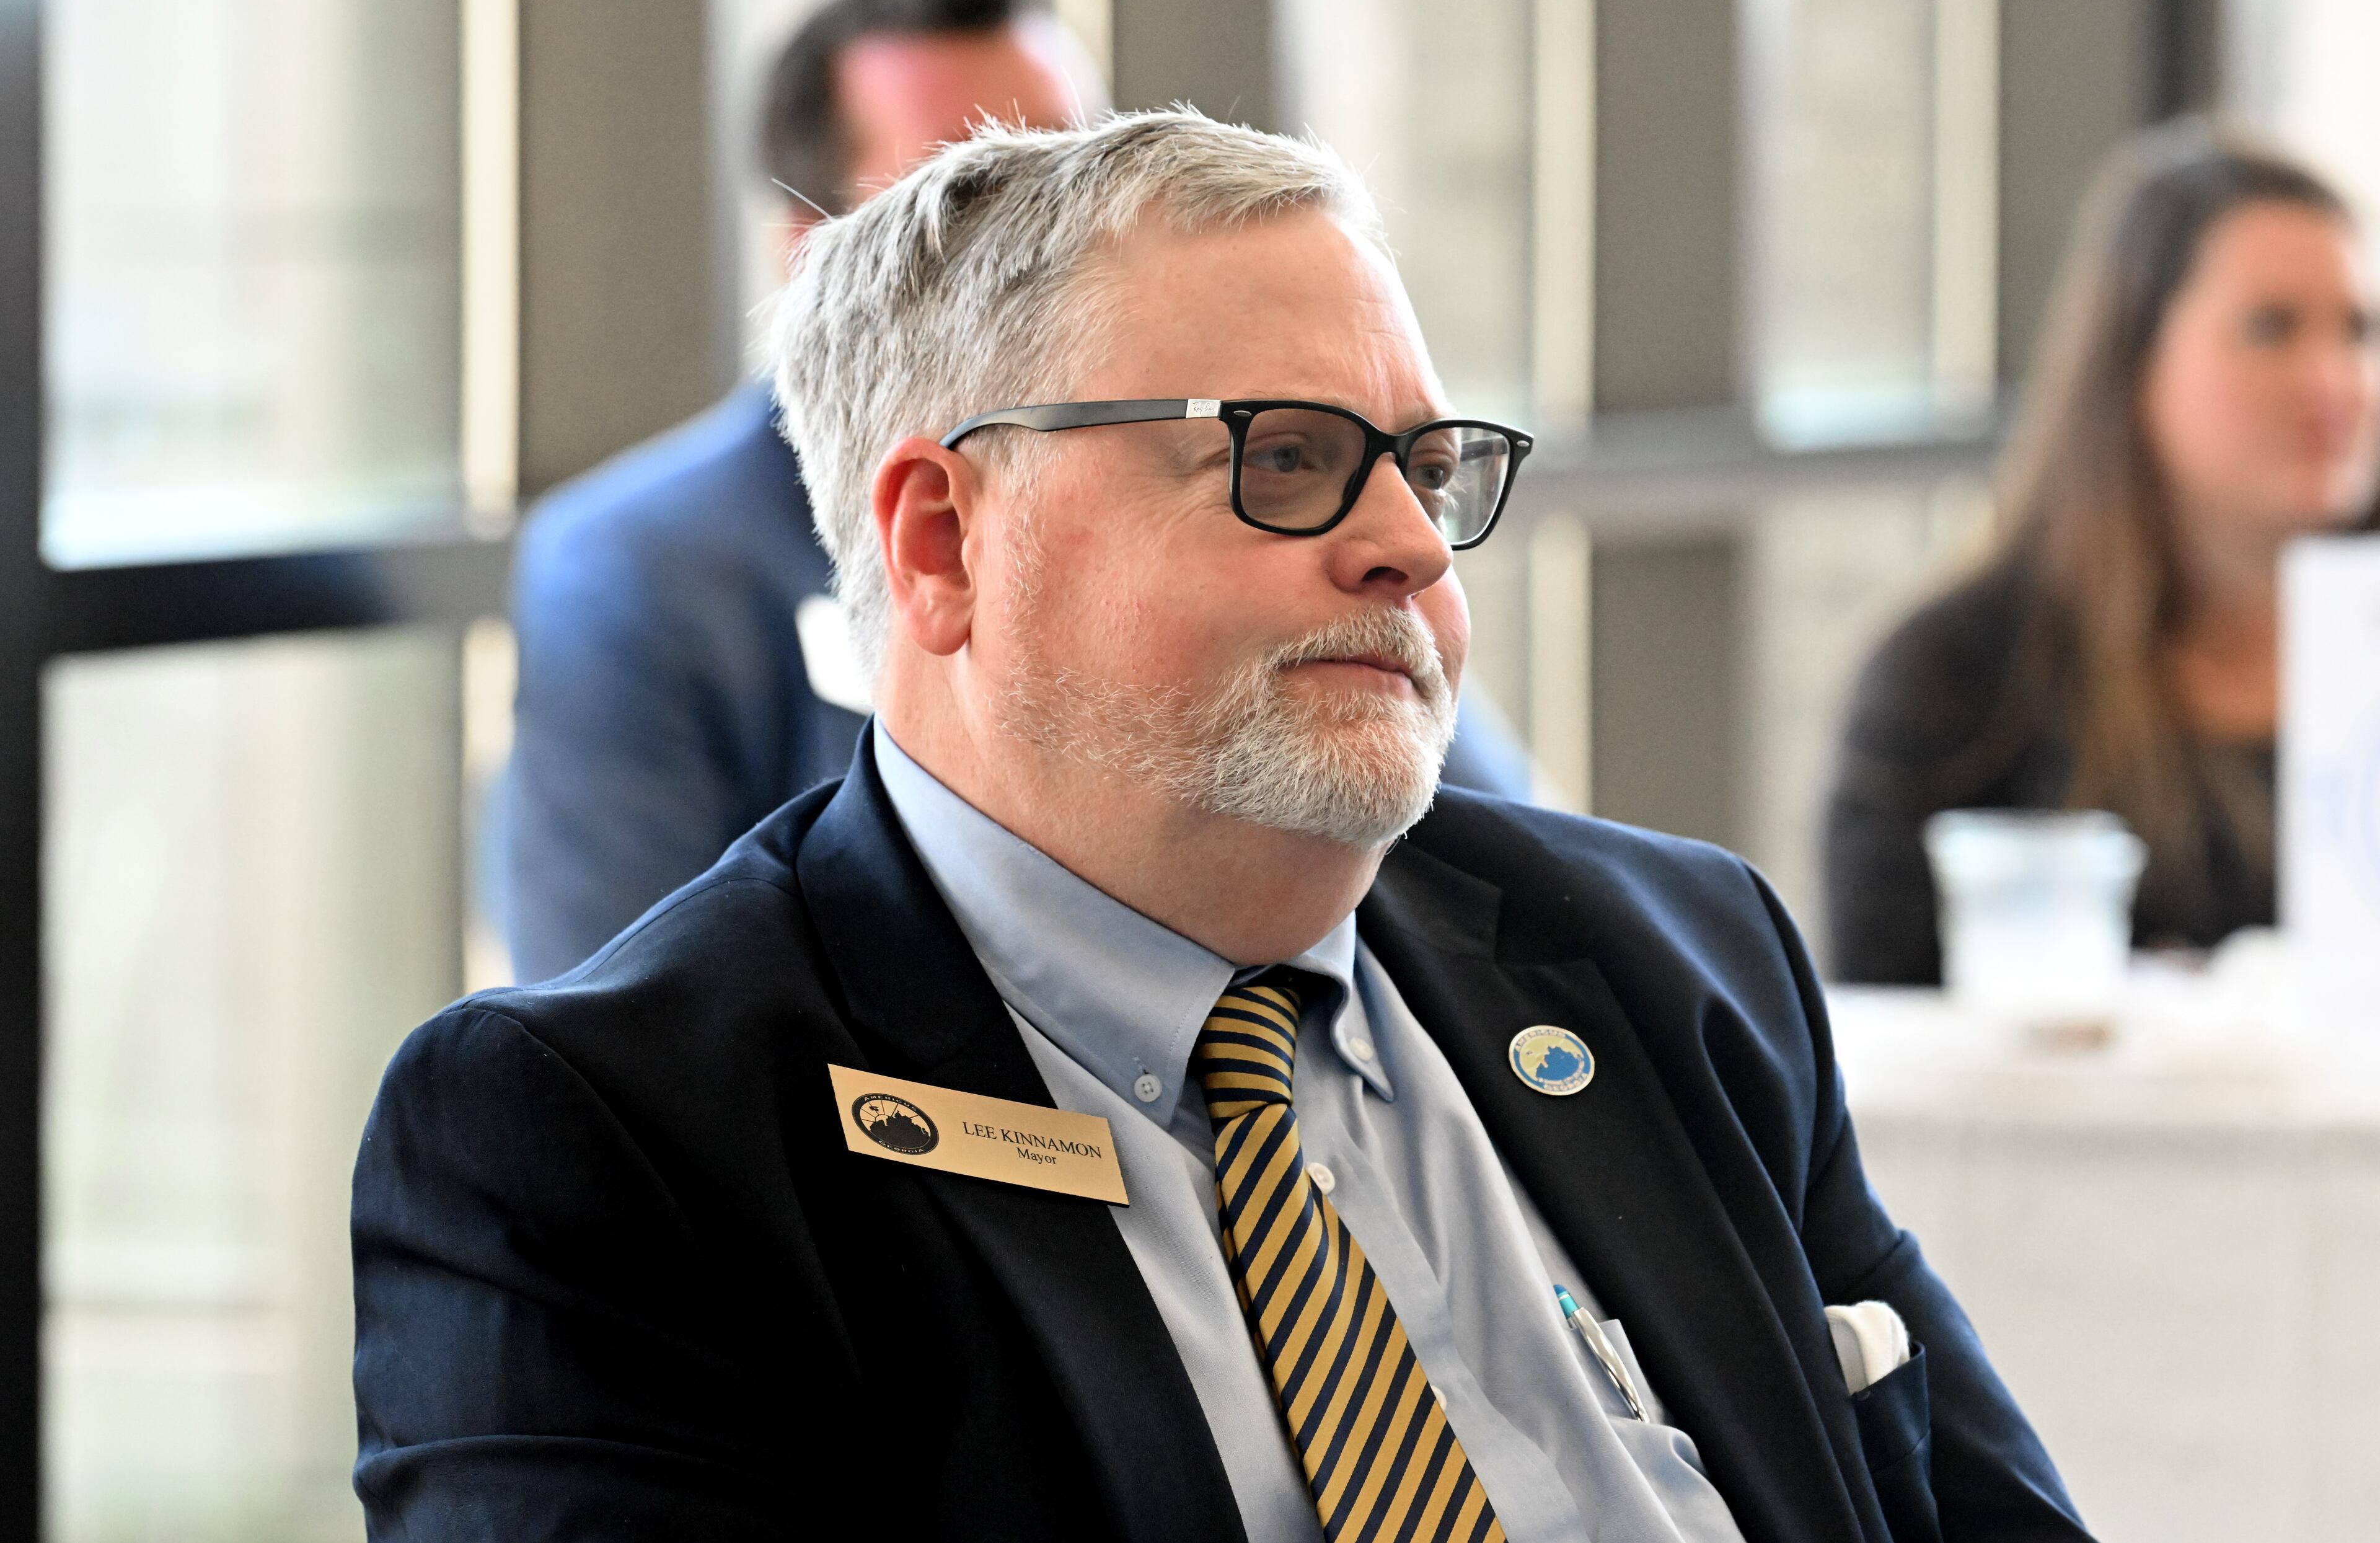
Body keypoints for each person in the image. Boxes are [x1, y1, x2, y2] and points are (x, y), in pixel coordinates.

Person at [354, 111, 2089, 1542]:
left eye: (1425, 463)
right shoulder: (612, 1141)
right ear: (945, 544)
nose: (1407, 542)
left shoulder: (1671, 961)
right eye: (1286, 460)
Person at [502, 0, 1536, 986]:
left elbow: (1511, 894)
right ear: (812, 259)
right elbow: (627, 1010)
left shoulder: (1305, 537)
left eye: (1073, 158)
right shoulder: (644, 568)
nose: (1041, 223)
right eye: (962, 189)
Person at [1824, 121, 2380, 986]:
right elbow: (1878, 1044)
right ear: (2132, 361)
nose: (2334, 382)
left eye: (2358, 330)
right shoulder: (1957, 679)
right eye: (2271, 328)